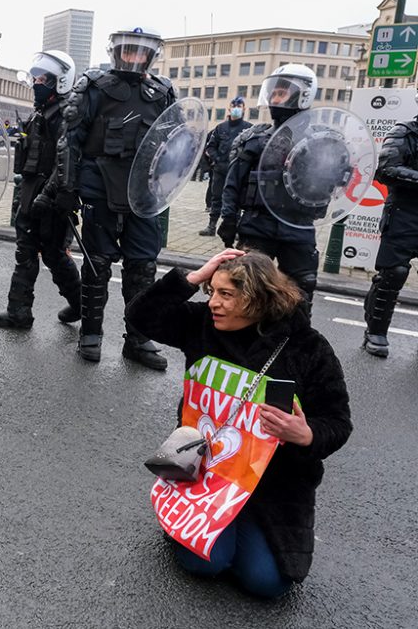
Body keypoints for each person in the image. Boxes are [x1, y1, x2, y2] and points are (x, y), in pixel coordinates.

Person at [126, 249, 351, 598]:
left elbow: (337, 422)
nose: (214, 302)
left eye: (226, 294)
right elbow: (141, 316)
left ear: (259, 298)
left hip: (271, 484)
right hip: (205, 470)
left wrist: (306, 435)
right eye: (211, 292)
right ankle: (201, 523)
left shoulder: (308, 349)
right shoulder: (202, 324)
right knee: (206, 563)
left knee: (267, 585)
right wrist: (195, 277)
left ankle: (238, 521)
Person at [34, 27, 176, 370]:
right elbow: (71, 141)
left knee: (143, 268)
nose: (134, 56)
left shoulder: (162, 92)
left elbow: (176, 141)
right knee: (97, 264)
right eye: (128, 50)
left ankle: (138, 339)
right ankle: (91, 334)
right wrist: (67, 189)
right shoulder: (94, 85)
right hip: (100, 187)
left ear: (151, 55)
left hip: (142, 193)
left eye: (141, 51)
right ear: (117, 51)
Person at [0, 51, 81, 329]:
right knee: (25, 252)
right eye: (36, 78)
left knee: (53, 254)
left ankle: (81, 305)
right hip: (31, 195)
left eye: (44, 79)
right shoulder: (42, 113)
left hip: (50, 200)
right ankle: (18, 312)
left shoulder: (66, 115)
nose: (37, 83)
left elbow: (66, 161)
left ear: (60, 82)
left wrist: (48, 195)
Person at [219, 65, 320, 301]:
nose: (275, 99)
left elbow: (335, 183)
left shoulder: (321, 141)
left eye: (281, 93)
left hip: (298, 226)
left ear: (303, 94)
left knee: (301, 289)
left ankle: (294, 338)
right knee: (245, 288)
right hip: (257, 225)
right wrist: (228, 218)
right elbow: (232, 183)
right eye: (273, 93)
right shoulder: (253, 139)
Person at [362, 101, 418, 356]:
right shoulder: (405, 132)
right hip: (405, 213)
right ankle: (376, 331)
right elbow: (385, 170)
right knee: (393, 272)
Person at [199, 97, 251, 236]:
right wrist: (217, 159)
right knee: (216, 198)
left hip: (239, 172)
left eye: (239, 105)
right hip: (220, 170)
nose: (236, 108)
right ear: (229, 108)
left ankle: (236, 229)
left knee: (237, 200)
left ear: (244, 109)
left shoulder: (249, 129)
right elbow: (210, 147)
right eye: (233, 105)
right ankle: (211, 227)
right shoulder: (220, 128)